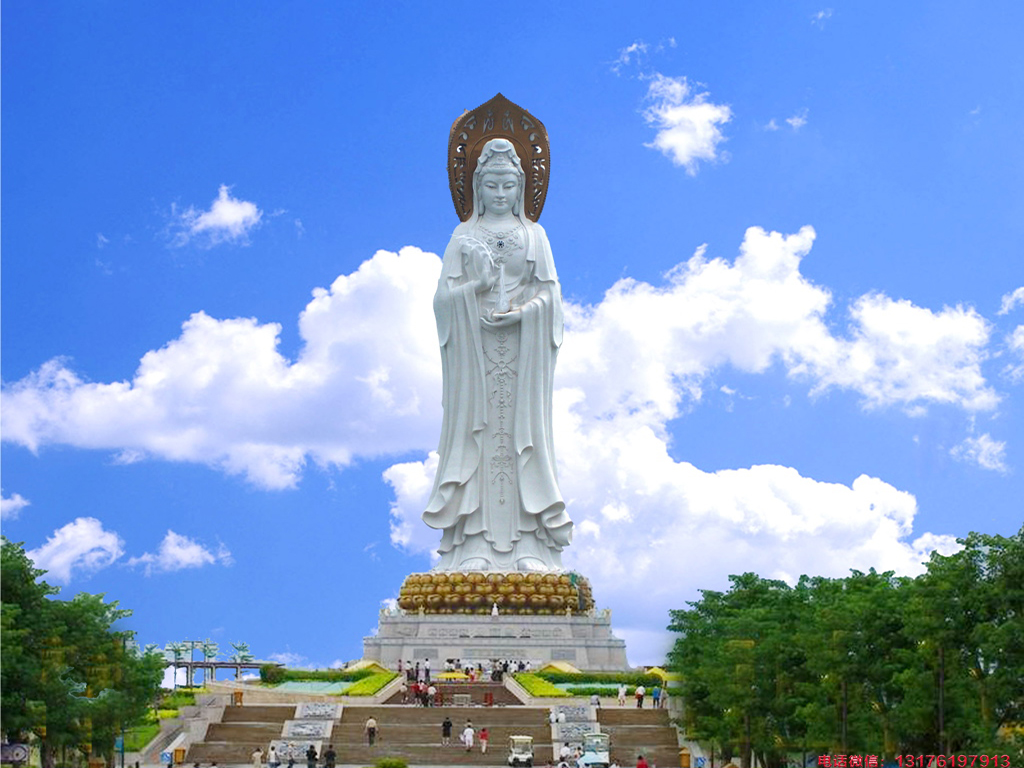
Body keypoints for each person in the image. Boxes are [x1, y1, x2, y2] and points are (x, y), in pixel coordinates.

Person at [423, 137, 572, 571]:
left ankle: (530, 544)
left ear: (522, 187)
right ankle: (473, 547)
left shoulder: (534, 235)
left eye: (508, 185)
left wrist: (524, 313)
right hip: (476, 358)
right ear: (477, 187)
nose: (501, 195)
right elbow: (442, 301)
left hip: (522, 357)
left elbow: (552, 297)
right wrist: (478, 288)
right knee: (479, 438)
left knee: (521, 440)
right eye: (491, 186)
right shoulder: (463, 235)